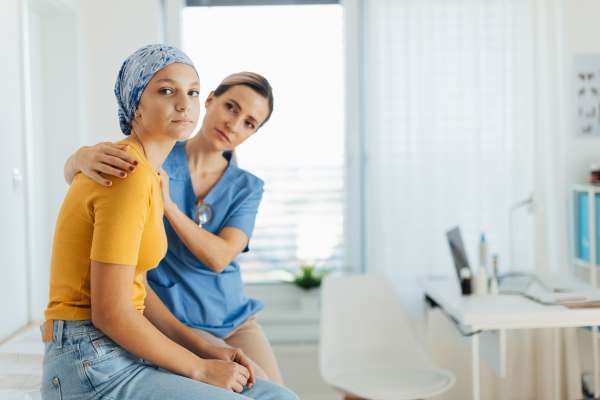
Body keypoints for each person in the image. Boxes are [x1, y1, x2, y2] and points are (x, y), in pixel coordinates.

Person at [42, 44, 297, 400]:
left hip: (207, 319)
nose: (183, 103)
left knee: (275, 391)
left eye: (189, 91)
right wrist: (78, 157)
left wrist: (206, 354)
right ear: (136, 104)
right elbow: (113, 310)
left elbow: (207, 261)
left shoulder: (217, 182)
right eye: (166, 90)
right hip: (97, 354)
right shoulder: (131, 166)